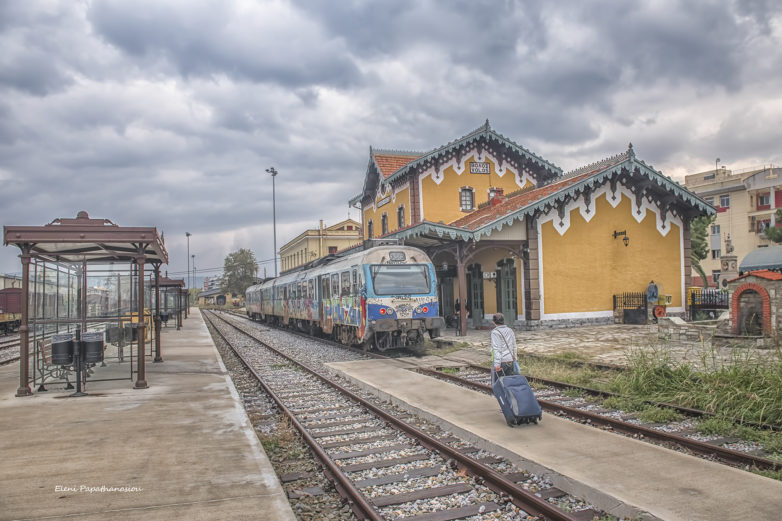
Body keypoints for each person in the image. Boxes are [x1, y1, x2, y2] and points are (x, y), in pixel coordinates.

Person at [490, 313, 518, 382]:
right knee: (509, 383)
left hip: (501, 362)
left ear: (493, 322)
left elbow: (496, 349)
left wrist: (497, 364)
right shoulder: (510, 330)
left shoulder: (495, 332)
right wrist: (515, 358)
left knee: (497, 383)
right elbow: (514, 346)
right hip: (510, 361)